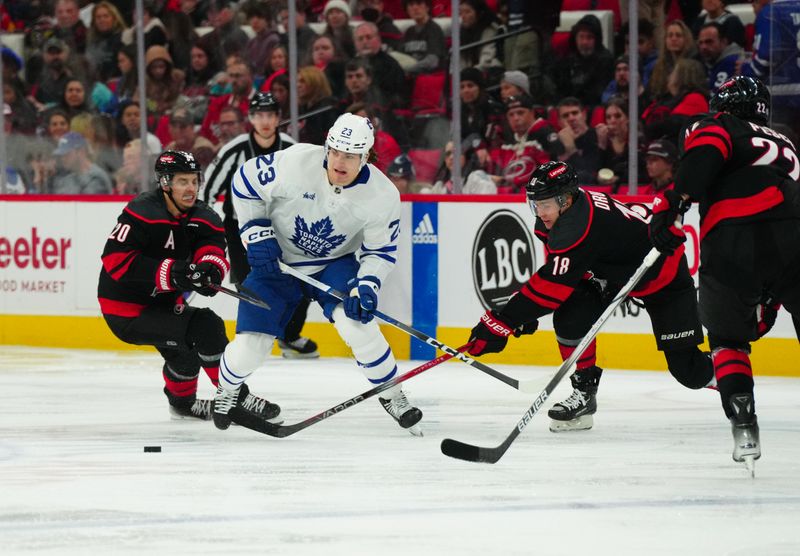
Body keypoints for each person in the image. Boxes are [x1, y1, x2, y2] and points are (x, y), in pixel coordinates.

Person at [212, 112, 423, 434]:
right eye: (335, 151)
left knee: (357, 326)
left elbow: (380, 252)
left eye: (350, 156)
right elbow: (244, 181)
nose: (339, 161)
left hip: (332, 265)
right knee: (250, 348)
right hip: (278, 263)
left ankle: (394, 395)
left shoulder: (382, 195)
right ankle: (227, 391)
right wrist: (255, 230)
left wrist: (367, 285)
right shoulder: (296, 162)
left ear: (366, 156)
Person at [466, 161, 715, 432]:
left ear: (566, 199)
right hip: (610, 273)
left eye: (545, 204)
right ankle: (584, 394)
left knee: (690, 372)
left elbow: (550, 288)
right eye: (535, 204)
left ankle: (730, 370)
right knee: (571, 313)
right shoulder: (561, 216)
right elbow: (557, 274)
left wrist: (502, 321)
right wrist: (522, 313)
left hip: (661, 274)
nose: (540, 212)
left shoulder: (579, 223)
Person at [647, 76, 800, 471]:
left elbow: (708, 150)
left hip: (735, 232)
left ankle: (744, 423)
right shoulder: (785, 140)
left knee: (728, 338)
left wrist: (675, 200)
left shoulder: (715, 123)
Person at [98, 150, 277, 422]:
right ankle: (235, 397)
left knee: (184, 354)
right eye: (183, 181)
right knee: (206, 326)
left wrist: (209, 272)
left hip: (164, 304)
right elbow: (116, 260)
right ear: (166, 183)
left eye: (195, 180)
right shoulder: (142, 212)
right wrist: (175, 272)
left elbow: (213, 249)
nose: (191, 188)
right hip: (126, 310)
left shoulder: (204, 216)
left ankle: (183, 404)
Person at [203, 92, 320, 359]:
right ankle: (249, 340)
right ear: (251, 118)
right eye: (259, 115)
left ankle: (289, 337)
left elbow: (308, 187)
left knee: (299, 279)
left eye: (270, 115)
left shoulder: (292, 148)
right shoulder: (235, 150)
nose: (265, 121)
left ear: (279, 118)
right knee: (250, 284)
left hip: (285, 227)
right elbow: (209, 189)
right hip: (240, 227)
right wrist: (208, 225)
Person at [741, 0, 800, 133]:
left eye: (754, 2)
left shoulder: (770, 12)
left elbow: (765, 55)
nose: (752, 5)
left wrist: (746, 72)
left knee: (783, 144)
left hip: (781, 95)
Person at [696, 22, 743, 93]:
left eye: (709, 42)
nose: (703, 47)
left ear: (724, 42)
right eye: (701, 43)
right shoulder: (709, 61)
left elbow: (716, 98)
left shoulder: (731, 62)